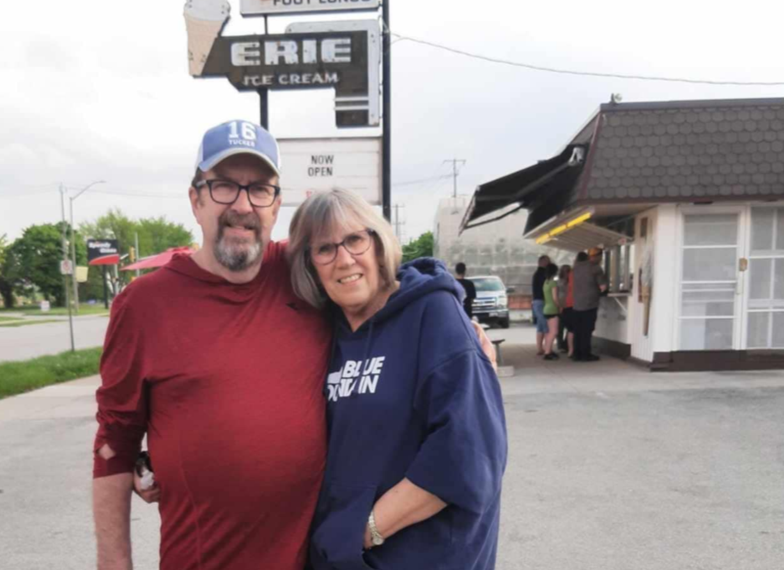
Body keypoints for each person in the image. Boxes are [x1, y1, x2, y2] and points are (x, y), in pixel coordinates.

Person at [93, 121, 499, 570]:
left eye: (260, 189)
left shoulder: (304, 277)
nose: (243, 205)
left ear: (275, 204)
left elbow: (377, 275)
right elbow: (114, 437)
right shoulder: (145, 305)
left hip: (313, 558)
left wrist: (458, 328)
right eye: (225, 186)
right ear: (196, 199)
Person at [286, 188, 508, 570]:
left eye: (354, 239)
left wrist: (363, 530)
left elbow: (467, 454)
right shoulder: (325, 333)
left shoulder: (433, 313)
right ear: (310, 265)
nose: (343, 259)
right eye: (325, 249)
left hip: (424, 555)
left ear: (377, 243)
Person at [572, 248, 608, 362]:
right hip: (589, 303)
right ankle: (585, 354)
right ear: (598, 256)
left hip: (577, 303)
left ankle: (576, 354)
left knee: (578, 330)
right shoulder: (595, 268)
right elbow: (603, 287)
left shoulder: (576, 267)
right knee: (587, 330)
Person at [531, 255, 552, 356]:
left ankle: (540, 348)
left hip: (536, 302)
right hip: (541, 302)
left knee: (540, 327)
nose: (549, 263)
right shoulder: (543, 274)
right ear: (543, 262)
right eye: (548, 262)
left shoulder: (536, 274)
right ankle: (548, 349)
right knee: (546, 326)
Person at [542, 263, 561, 360]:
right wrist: (560, 306)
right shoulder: (553, 283)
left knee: (549, 332)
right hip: (553, 309)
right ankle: (547, 352)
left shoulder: (546, 282)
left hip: (546, 308)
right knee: (554, 332)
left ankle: (547, 350)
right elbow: (555, 298)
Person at [557, 264, 576, 355]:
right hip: (563, 305)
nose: (566, 272)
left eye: (568, 270)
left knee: (568, 327)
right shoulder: (560, 282)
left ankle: (565, 345)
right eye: (565, 270)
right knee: (561, 327)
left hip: (567, 305)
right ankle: (561, 345)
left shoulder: (569, 281)